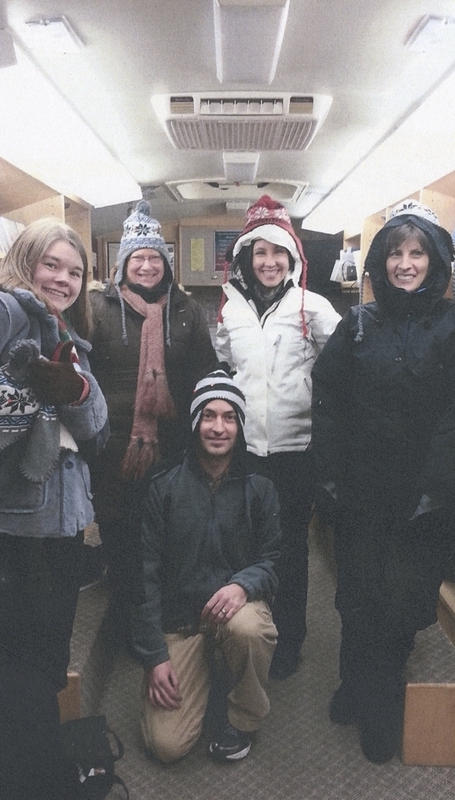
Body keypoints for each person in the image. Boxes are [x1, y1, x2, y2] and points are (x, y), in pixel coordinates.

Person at [0, 218, 109, 800]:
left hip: (56, 533)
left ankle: (36, 781)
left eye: (74, 271)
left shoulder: (63, 330)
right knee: (14, 684)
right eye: (52, 265)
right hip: (4, 535)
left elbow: (96, 428)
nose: (63, 279)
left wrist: (78, 390)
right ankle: (31, 785)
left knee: (39, 676)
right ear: (25, 260)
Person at [311, 199, 455, 763]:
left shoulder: (451, 327)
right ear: (379, 261)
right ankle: (353, 686)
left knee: (399, 605)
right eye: (395, 252)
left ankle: (381, 709)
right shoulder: (359, 325)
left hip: (425, 495)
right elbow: (327, 399)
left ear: (436, 261)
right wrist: (330, 476)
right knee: (357, 598)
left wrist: (437, 485)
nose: (406, 263)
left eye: (418, 253)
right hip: (361, 491)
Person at [215, 195, 341, 679]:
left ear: (291, 257)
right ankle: (250, 633)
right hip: (244, 452)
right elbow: (227, 364)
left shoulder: (313, 306)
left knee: (290, 548)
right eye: (259, 253)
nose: (269, 262)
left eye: (278, 252)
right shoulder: (231, 309)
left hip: (296, 452)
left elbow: (343, 364)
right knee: (245, 544)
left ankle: (289, 642)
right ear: (246, 257)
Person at [131, 369, 280, 764]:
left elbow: (273, 559)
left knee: (249, 628)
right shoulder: (163, 487)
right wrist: (155, 657)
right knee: (166, 746)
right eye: (209, 416)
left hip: (234, 613)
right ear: (196, 423)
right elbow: (143, 578)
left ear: (240, 425)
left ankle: (242, 719)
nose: (218, 427)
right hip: (181, 625)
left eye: (229, 417)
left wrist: (244, 585)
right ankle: (206, 673)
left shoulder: (260, 487)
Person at [88, 200, 216, 627]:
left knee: (170, 539)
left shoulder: (187, 310)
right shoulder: (96, 310)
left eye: (154, 257)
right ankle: (131, 626)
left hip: (175, 449)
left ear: (166, 262)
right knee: (122, 542)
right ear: (123, 263)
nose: (146, 266)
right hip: (114, 452)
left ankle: (168, 625)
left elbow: (205, 371)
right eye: (137, 258)